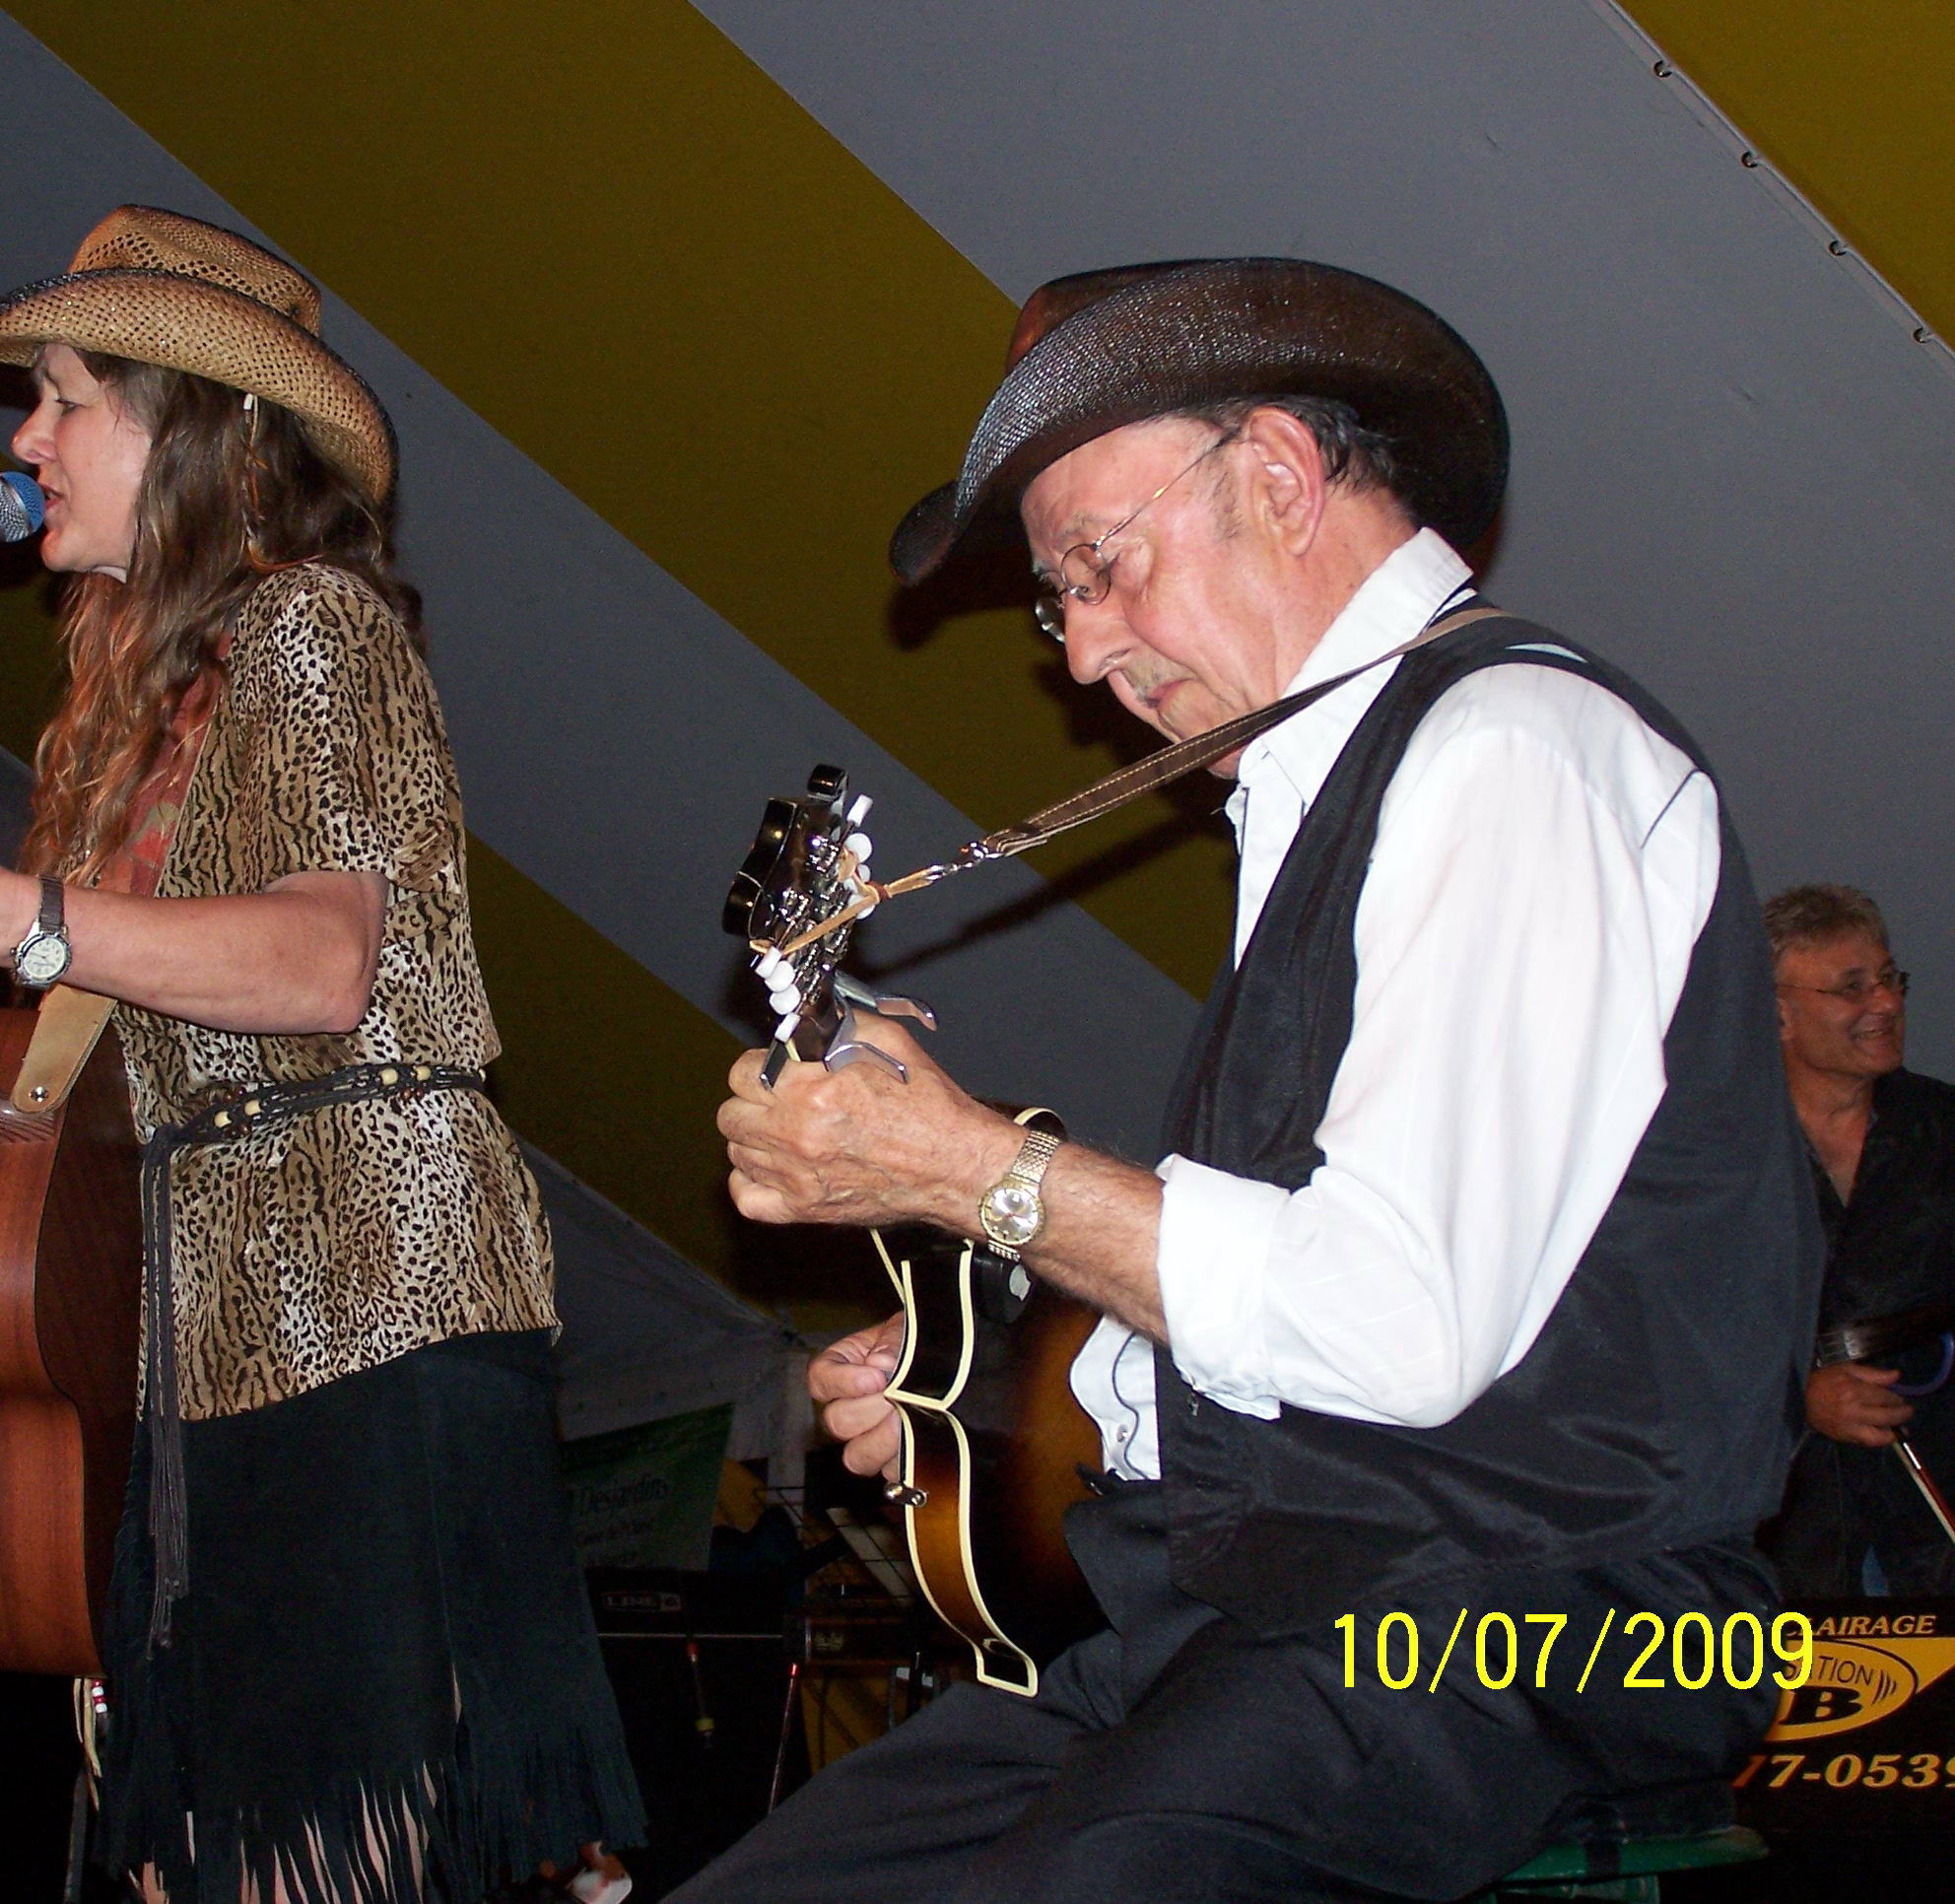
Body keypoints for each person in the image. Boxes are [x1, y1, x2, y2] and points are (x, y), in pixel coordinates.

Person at [699, 260, 1820, 1901]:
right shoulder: (1321, 788)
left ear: (1281, 477)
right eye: (1058, 602)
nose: (1084, 652)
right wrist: (979, 1391)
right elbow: (1275, 1331)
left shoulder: (1510, 750)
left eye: (1100, 566)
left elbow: (1399, 1326)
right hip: (1271, 1614)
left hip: (1542, 1624)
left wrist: (967, 1171)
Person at [0, 206, 640, 1904]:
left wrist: (7, 911)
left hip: (371, 1300)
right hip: (204, 1329)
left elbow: (320, 963)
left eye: (64, 398)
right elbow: (74, 1061)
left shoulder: (314, 627)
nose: (25, 444)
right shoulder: (129, 718)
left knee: (335, 1860)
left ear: (203, 432)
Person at [1759, 883, 1955, 1598]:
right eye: (1852, 988)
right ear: (1776, 1013)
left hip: (1937, 1516)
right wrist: (1797, 1398)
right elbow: (1667, 1339)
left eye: (1889, 978)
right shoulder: (1713, 1155)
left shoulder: (1943, 1129)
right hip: (1777, 1531)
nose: (1886, 1003)